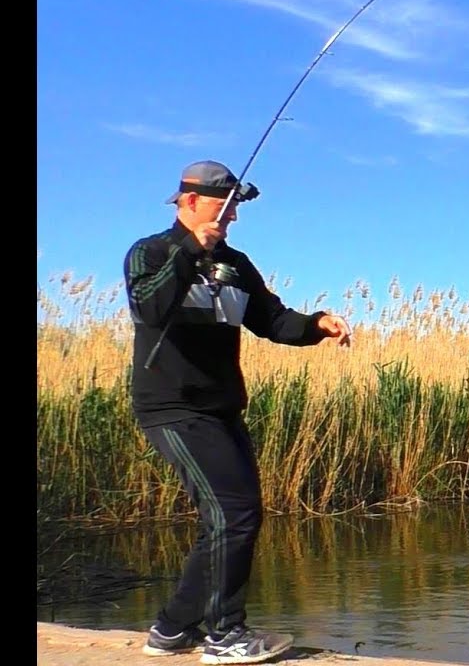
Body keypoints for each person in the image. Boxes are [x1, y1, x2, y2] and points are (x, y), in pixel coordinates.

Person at [123, 160, 352, 664]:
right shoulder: (152, 252)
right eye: (221, 209)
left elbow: (272, 320)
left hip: (221, 408)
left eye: (233, 211)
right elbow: (151, 308)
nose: (229, 220)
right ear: (188, 202)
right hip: (171, 407)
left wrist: (317, 324)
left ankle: (171, 630)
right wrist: (191, 250)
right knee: (236, 513)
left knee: (227, 518)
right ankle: (225, 636)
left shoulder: (236, 264)